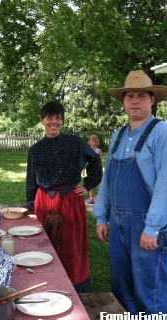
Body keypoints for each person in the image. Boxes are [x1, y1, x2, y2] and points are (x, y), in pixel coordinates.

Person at [92, 70, 167, 320]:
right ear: (123, 101)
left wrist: (152, 228)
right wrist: (102, 216)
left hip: (148, 229)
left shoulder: (164, 133)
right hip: (119, 225)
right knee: (122, 291)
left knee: (151, 296)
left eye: (141, 95)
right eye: (129, 96)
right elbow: (108, 179)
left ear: (152, 99)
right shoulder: (119, 135)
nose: (135, 100)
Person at [26, 101, 102, 293]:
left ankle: (75, 287)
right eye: (50, 117)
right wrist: (30, 206)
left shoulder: (74, 142)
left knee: (71, 245)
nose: (55, 121)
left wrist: (88, 185)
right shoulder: (35, 150)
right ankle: (48, 284)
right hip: (44, 200)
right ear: (42, 120)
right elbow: (31, 181)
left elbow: (95, 160)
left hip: (70, 199)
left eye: (59, 118)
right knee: (44, 243)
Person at [83, 134, 103, 204]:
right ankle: (91, 198)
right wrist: (83, 169)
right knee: (90, 183)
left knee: (100, 183)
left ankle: (101, 198)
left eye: (95, 141)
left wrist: (101, 170)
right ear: (90, 142)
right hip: (90, 170)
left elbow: (100, 160)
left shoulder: (99, 151)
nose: (93, 143)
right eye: (92, 141)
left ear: (97, 142)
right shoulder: (88, 150)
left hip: (98, 169)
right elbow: (85, 160)